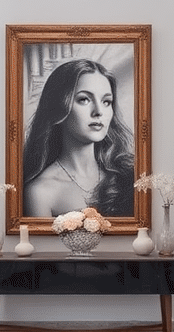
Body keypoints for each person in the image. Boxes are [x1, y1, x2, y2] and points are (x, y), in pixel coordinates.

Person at [23, 57, 135, 218]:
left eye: (106, 101)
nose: (98, 111)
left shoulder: (128, 174)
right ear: (59, 106)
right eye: (84, 99)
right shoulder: (40, 192)